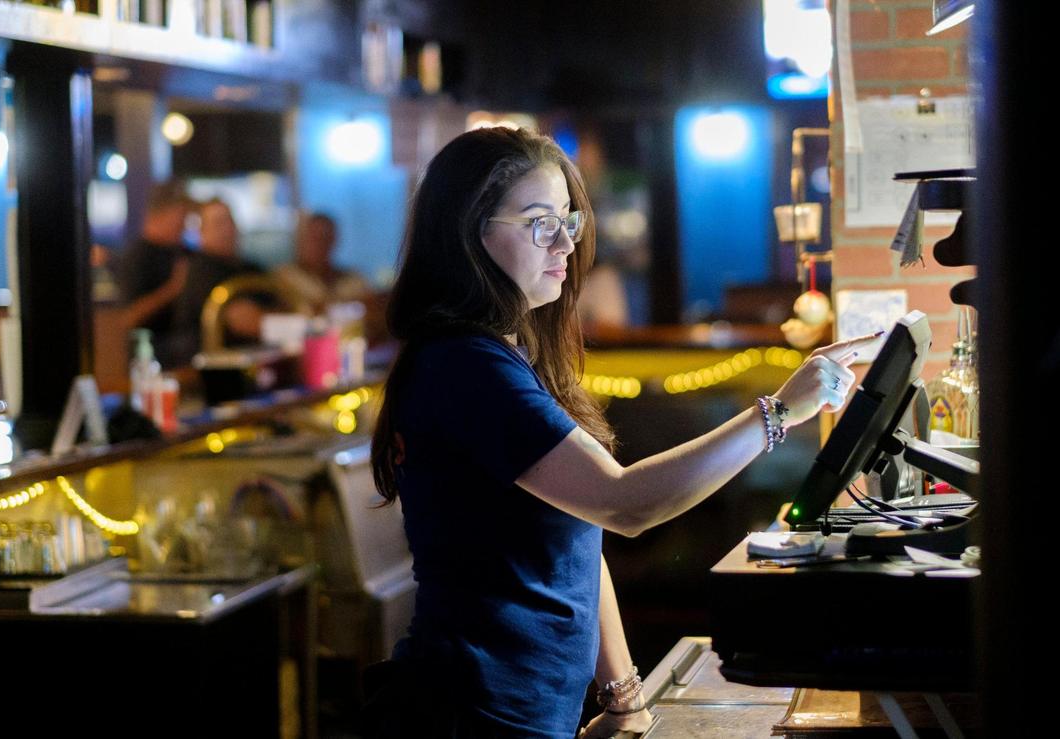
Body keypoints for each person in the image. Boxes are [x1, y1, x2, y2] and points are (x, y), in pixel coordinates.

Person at [365, 127, 876, 738]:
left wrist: (623, 695)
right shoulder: (465, 365)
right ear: (471, 234)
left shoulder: (505, 350)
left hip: (521, 708)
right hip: (472, 710)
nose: (563, 242)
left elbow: (580, 532)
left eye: (566, 219)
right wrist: (776, 414)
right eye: (537, 221)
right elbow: (623, 504)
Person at [167, 198, 264, 363]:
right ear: (202, 233)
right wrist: (294, 325)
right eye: (219, 223)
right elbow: (245, 322)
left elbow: (285, 305)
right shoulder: (201, 270)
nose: (227, 230)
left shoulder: (251, 267)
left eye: (230, 221)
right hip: (209, 377)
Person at [115, 181, 193, 364]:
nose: (185, 224)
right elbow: (128, 318)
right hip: (151, 360)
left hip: (184, 351)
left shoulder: (183, 251)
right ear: (162, 213)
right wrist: (172, 289)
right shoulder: (138, 256)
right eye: (181, 216)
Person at [273, 212, 371, 316]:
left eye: (325, 238)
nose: (319, 244)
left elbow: (369, 306)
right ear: (300, 240)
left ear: (334, 240)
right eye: (313, 238)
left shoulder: (354, 280)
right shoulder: (285, 277)